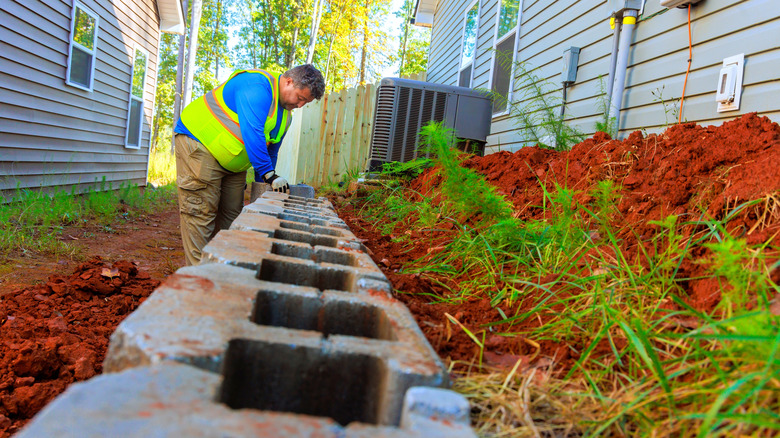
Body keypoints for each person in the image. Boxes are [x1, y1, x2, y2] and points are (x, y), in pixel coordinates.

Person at [173, 64, 326, 266]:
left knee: (232, 215)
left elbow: (271, 150)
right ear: (289, 82)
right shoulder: (256, 86)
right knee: (201, 213)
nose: (300, 106)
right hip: (200, 144)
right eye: (300, 98)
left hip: (233, 160)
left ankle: (222, 268)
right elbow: (253, 132)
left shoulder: (285, 116)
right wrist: (268, 174)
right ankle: (198, 279)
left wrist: (264, 183)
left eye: (305, 103)